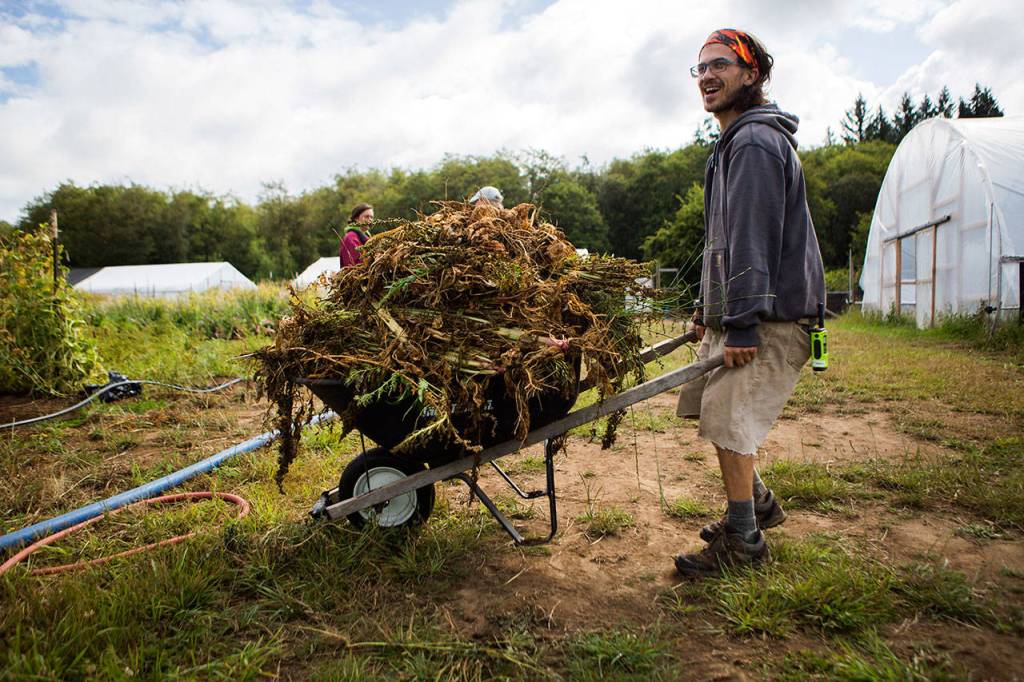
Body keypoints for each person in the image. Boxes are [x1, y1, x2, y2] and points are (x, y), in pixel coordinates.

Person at [672, 29, 825, 578]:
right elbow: (722, 240)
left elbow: (753, 239)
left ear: (752, 73)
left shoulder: (756, 144)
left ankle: (745, 540)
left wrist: (739, 324)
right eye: (701, 69)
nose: (707, 77)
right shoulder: (735, 142)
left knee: (729, 418)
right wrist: (706, 309)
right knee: (711, 408)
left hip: (770, 315)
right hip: (741, 311)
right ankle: (754, 503)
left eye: (721, 66)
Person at [340, 203, 374, 267]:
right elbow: (354, 264)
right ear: (356, 218)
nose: (370, 219)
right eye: (366, 216)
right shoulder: (350, 237)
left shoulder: (367, 237)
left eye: (371, 217)